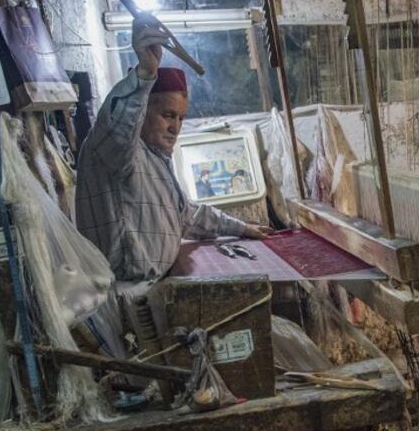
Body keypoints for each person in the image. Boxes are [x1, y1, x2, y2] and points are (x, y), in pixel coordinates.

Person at [75, 15, 273, 285]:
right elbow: (120, 127)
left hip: (156, 286)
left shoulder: (156, 160)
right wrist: (146, 73)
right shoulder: (116, 152)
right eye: (168, 115)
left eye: (181, 118)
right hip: (125, 294)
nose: (175, 127)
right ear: (143, 110)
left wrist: (243, 228)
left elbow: (187, 216)